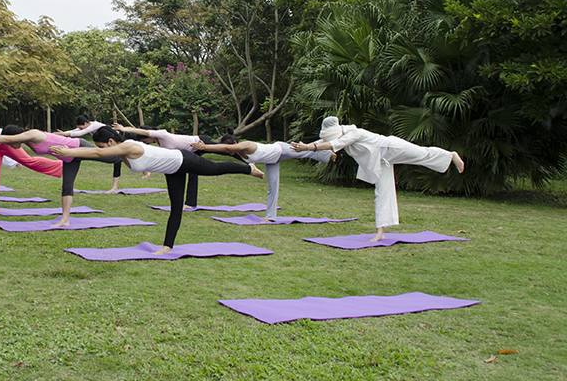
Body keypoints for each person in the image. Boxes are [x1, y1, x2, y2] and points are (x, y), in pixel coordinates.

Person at [51, 126, 264, 253]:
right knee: (176, 208)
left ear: (110, 141)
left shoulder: (127, 146)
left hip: (184, 160)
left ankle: (248, 168)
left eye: (101, 145)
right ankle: (168, 246)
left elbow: (97, 155)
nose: (100, 149)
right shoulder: (123, 151)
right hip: (173, 170)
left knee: (216, 169)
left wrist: (69, 149)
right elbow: (136, 159)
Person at [291, 116, 465, 241]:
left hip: (391, 148)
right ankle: (381, 231)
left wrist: (308, 147)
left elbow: (333, 144)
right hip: (380, 161)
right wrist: (302, 148)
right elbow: (322, 143)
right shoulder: (337, 135)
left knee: (421, 154)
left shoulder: (354, 133)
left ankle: (450, 155)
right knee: (382, 192)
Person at [0, 125, 122, 227]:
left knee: (113, 158)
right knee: (67, 186)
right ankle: (65, 220)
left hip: (77, 147)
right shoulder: (27, 140)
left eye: (12, 141)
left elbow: (7, 138)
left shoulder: (32, 134)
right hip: (67, 157)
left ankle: (137, 152)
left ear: (18, 136)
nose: (10, 146)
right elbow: (7, 139)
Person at [192, 130, 336, 221]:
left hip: (280, 149)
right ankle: (270, 217)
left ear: (236, 143)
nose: (230, 152)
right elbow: (228, 150)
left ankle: (328, 152)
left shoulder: (246, 145)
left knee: (303, 151)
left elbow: (227, 148)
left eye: (232, 148)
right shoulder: (238, 153)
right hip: (272, 161)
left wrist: (204, 147)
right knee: (273, 186)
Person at [111, 123, 223, 210]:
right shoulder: (159, 142)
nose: (147, 143)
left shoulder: (161, 134)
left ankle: (240, 151)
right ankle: (190, 203)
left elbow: (143, 131)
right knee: (193, 175)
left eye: (146, 140)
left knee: (226, 150)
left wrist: (124, 129)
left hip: (199, 142)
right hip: (191, 153)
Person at [55, 115, 122, 191]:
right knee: (117, 161)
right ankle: (114, 188)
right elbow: (75, 131)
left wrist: (63, 134)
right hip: (105, 145)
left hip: (112, 142)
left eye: (81, 127)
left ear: (86, 124)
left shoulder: (94, 125)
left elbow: (80, 133)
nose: (80, 129)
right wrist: (62, 133)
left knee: (117, 161)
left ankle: (114, 187)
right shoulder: (87, 125)